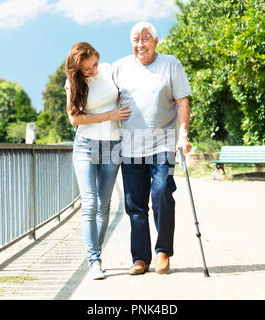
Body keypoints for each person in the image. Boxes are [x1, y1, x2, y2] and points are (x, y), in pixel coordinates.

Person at [112, 22, 192, 275]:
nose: (140, 44)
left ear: (156, 42)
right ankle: (140, 258)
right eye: (135, 39)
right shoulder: (119, 68)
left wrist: (184, 134)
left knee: (162, 195)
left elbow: (182, 102)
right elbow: (104, 96)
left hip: (163, 144)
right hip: (130, 146)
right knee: (135, 205)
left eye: (146, 39)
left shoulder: (171, 64)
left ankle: (163, 252)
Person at [64, 42, 131, 280]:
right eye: (86, 70)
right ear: (77, 70)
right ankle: (94, 261)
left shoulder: (109, 68)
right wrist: (109, 115)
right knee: (90, 203)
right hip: (85, 146)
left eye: (93, 65)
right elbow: (75, 119)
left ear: (97, 58)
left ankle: (95, 255)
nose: (92, 71)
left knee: (104, 205)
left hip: (113, 145)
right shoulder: (73, 83)